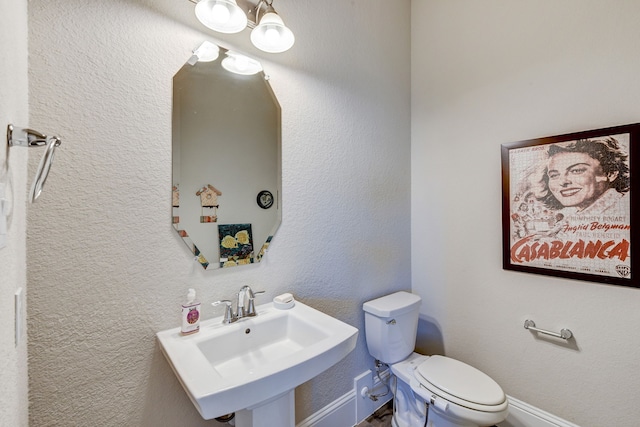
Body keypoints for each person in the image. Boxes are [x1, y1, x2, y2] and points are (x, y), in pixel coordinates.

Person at [536, 137, 630, 215]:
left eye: (576, 171)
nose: (562, 182)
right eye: (554, 175)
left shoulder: (622, 211)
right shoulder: (577, 218)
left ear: (611, 173)